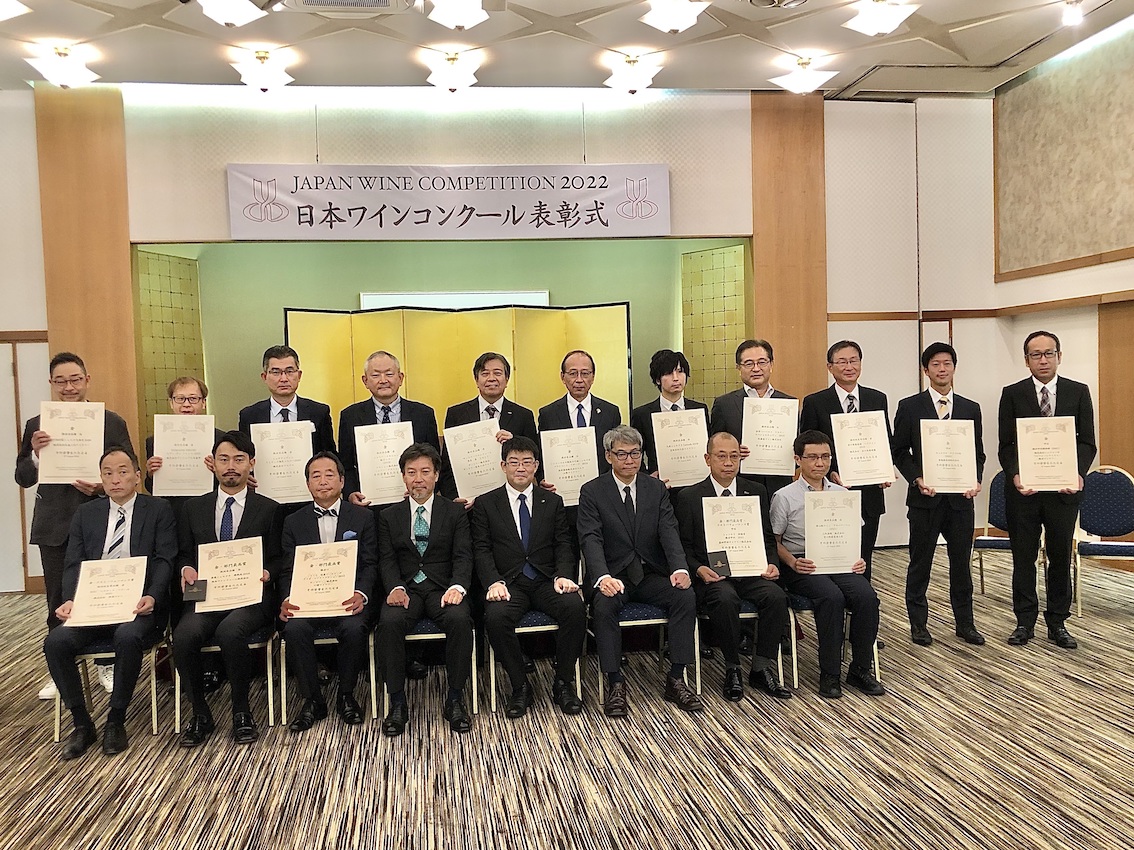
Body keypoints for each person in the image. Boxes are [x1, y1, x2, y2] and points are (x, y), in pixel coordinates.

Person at [43, 448, 177, 760]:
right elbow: (73, 562)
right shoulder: (86, 513)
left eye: (123, 472)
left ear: (137, 476)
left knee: (127, 637)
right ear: (101, 479)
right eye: (108, 473)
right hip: (94, 605)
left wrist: (154, 595)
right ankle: (82, 723)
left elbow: (164, 559)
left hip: (138, 606)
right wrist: (70, 600)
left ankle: (116, 719)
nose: (116, 479)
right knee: (56, 642)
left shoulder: (158, 509)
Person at [15, 351, 133, 700]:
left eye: (75, 379)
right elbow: (22, 477)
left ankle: (106, 663)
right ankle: (61, 668)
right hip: (54, 524)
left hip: (101, 519)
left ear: (87, 380)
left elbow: (129, 466)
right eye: (61, 381)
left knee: (103, 596)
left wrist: (102, 486)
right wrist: (36, 455)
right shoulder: (38, 424)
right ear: (51, 384)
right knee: (58, 598)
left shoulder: (110, 421)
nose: (69, 387)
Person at [577, 425, 703, 717]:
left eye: (635, 453)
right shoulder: (592, 491)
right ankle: (615, 682)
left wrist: (680, 568)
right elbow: (590, 538)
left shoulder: (655, 489)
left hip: (649, 575)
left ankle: (676, 677)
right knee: (604, 605)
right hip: (613, 576)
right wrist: (602, 577)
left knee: (684, 596)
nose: (629, 460)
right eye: (622, 454)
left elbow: (669, 531)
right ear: (608, 456)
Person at [172, 430, 283, 747]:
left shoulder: (270, 509)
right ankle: (200, 713)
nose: (231, 466)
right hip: (206, 594)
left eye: (238, 459)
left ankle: (241, 711)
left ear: (251, 463)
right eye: (223, 459)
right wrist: (186, 569)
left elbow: (280, 558)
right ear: (213, 464)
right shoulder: (193, 508)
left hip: (252, 596)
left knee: (231, 631)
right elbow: (184, 553)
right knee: (184, 635)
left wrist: (268, 572)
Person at [470, 437, 585, 717]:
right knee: (496, 617)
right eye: (514, 462)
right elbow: (481, 549)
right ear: (503, 466)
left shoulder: (552, 501)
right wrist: (493, 581)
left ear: (536, 465)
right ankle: (520, 685)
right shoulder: (486, 503)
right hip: (508, 584)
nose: (520, 468)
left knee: (574, 608)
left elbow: (563, 544)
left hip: (546, 581)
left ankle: (563, 682)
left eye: (527, 462)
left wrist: (563, 575)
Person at [674, 432, 791, 702]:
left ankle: (761, 667)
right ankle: (732, 667)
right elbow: (683, 545)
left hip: (750, 571)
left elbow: (767, 537)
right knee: (725, 599)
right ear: (708, 459)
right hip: (713, 576)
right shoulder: (689, 496)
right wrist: (698, 568)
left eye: (734, 456)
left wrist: (772, 563)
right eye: (721, 456)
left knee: (776, 597)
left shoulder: (756, 490)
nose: (728, 462)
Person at [998, 331, 1096, 649]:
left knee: (1060, 557)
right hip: (1023, 493)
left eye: (1049, 353)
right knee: (1023, 558)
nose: (1043, 360)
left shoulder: (1078, 392)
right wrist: (1015, 475)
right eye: (1036, 355)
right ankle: (1024, 622)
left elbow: (1087, 442)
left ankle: (1057, 623)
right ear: (1026, 360)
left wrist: (1077, 473)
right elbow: (1006, 444)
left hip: (1063, 492)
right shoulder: (1012, 394)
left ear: (1059, 356)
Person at [770, 430, 884, 699]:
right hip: (802, 565)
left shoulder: (843, 494)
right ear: (798, 459)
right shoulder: (784, 496)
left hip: (839, 562)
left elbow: (854, 534)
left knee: (866, 596)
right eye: (812, 457)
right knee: (831, 597)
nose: (819, 463)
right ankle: (830, 673)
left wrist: (858, 559)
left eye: (825, 456)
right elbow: (773, 541)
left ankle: (860, 669)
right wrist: (793, 562)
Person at [891, 343, 986, 647]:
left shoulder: (971, 408)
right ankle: (918, 624)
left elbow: (978, 452)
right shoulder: (910, 406)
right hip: (925, 499)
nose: (942, 369)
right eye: (935, 364)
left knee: (961, 565)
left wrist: (975, 479)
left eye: (947, 363)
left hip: (961, 501)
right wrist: (917, 478)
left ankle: (965, 624)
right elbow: (899, 451)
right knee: (921, 564)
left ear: (954, 367)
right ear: (926, 370)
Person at [377, 443, 475, 736]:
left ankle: (455, 698)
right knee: (389, 623)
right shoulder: (389, 516)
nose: (418, 479)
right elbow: (386, 559)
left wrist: (458, 586)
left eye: (424, 472)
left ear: (436, 475)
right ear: (403, 477)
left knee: (460, 619)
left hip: (442, 589)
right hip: (406, 589)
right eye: (411, 472)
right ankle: (397, 702)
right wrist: (394, 587)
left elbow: (463, 555)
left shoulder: (454, 512)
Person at [278, 452, 378, 731]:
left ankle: (346, 695)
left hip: (348, 599)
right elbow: (287, 569)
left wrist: (362, 594)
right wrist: (287, 599)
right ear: (308, 484)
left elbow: (371, 563)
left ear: (342, 481)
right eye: (316, 476)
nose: (323, 481)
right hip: (308, 602)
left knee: (354, 628)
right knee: (294, 629)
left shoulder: (363, 518)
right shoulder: (293, 522)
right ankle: (312, 700)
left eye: (329, 474)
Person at [799, 340, 892, 582]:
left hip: (870, 492)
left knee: (864, 557)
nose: (848, 366)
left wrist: (885, 469)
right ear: (830, 367)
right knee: (832, 556)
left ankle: (863, 601)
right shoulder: (815, 402)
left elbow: (885, 440)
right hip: (830, 492)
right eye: (841, 362)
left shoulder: (877, 398)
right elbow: (807, 446)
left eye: (853, 361)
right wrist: (831, 473)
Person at [144, 375, 225, 630]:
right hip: (173, 516)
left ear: (203, 402)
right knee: (176, 576)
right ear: (171, 403)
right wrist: (150, 474)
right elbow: (152, 489)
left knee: (208, 572)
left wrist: (219, 470)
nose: (186, 405)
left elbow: (232, 483)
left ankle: (208, 629)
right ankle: (179, 635)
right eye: (180, 399)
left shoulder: (221, 440)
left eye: (193, 398)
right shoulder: (155, 440)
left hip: (208, 517)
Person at [338, 350, 440, 508]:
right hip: (368, 504)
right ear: (365, 381)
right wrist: (351, 493)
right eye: (375, 375)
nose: (383, 380)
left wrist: (423, 490)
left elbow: (435, 461)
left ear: (400, 378)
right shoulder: (350, 416)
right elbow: (346, 464)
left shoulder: (423, 414)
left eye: (389, 374)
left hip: (413, 503)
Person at [440, 352, 539, 501]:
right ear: (476, 379)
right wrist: (454, 499)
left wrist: (513, 442)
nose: (491, 378)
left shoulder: (523, 415)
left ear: (507, 379)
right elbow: (447, 465)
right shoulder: (456, 414)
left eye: (497, 373)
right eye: (485, 373)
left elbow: (534, 459)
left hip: (510, 501)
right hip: (468, 502)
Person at [710, 339, 795, 497]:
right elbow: (714, 446)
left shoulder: (788, 404)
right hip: (741, 487)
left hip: (780, 486)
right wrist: (734, 452)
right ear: (739, 368)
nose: (756, 368)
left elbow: (799, 449)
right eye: (749, 363)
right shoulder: (724, 404)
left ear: (771, 364)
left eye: (762, 362)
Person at [238, 344, 336, 455]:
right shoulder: (249, 416)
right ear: (264, 377)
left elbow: (330, 456)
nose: (283, 379)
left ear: (299, 375)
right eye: (276, 372)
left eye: (289, 371)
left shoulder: (319, 413)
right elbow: (244, 457)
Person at [537, 349, 622, 477]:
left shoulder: (610, 412)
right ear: (562, 377)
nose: (579, 380)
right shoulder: (548, 414)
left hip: (603, 484)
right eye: (573, 373)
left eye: (585, 373)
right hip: (561, 484)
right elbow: (541, 454)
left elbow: (617, 452)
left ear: (593, 377)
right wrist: (542, 479)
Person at [630, 348, 708, 481]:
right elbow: (635, 452)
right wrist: (647, 477)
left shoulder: (700, 410)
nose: (676, 378)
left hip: (697, 481)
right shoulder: (642, 415)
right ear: (658, 379)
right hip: (660, 484)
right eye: (668, 373)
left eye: (680, 371)